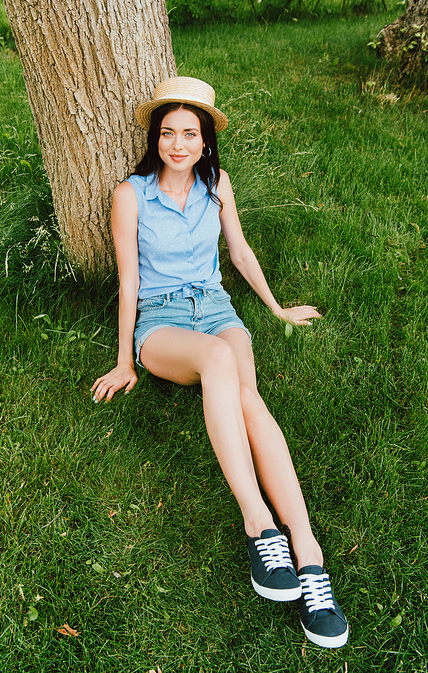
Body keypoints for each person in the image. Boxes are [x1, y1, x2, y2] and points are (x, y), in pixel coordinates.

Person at [91, 77, 349, 649]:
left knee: (248, 398)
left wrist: (276, 309)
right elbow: (129, 280)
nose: (178, 144)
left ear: (205, 140)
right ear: (155, 139)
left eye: (190, 133)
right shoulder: (129, 195)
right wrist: (124, 361)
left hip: (215, 308)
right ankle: (259, 524)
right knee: (215, 358)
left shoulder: (218, 184)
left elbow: (238, 251)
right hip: (161, 323)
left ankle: (307, 556)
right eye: (167, 133)